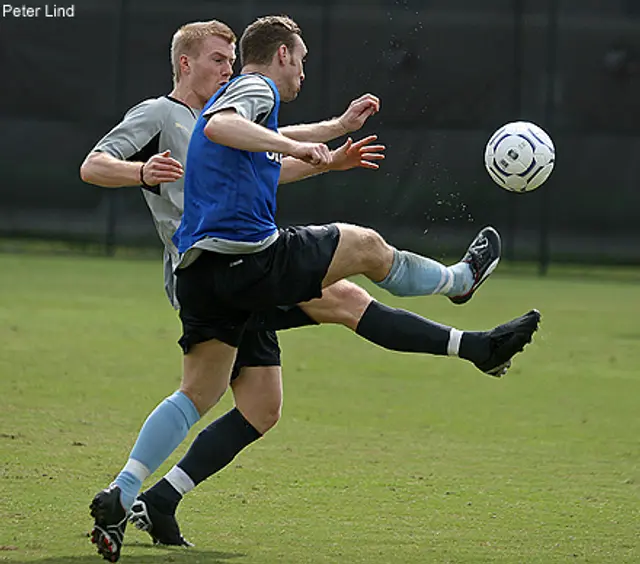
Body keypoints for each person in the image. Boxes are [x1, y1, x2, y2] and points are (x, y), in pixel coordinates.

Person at [86, 16, 540, 562]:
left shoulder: (230, 104)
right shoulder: (192, 108)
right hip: (239, 258)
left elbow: (262, 164)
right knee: (363, 259)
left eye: (230, 59)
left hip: (206, 276)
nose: (226, 67)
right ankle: (462, 292)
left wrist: (332, 138)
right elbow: (124, 156)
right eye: (216, 58)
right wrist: (141, 173)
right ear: (186, 63)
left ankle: (135, 494)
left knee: (248, 403)